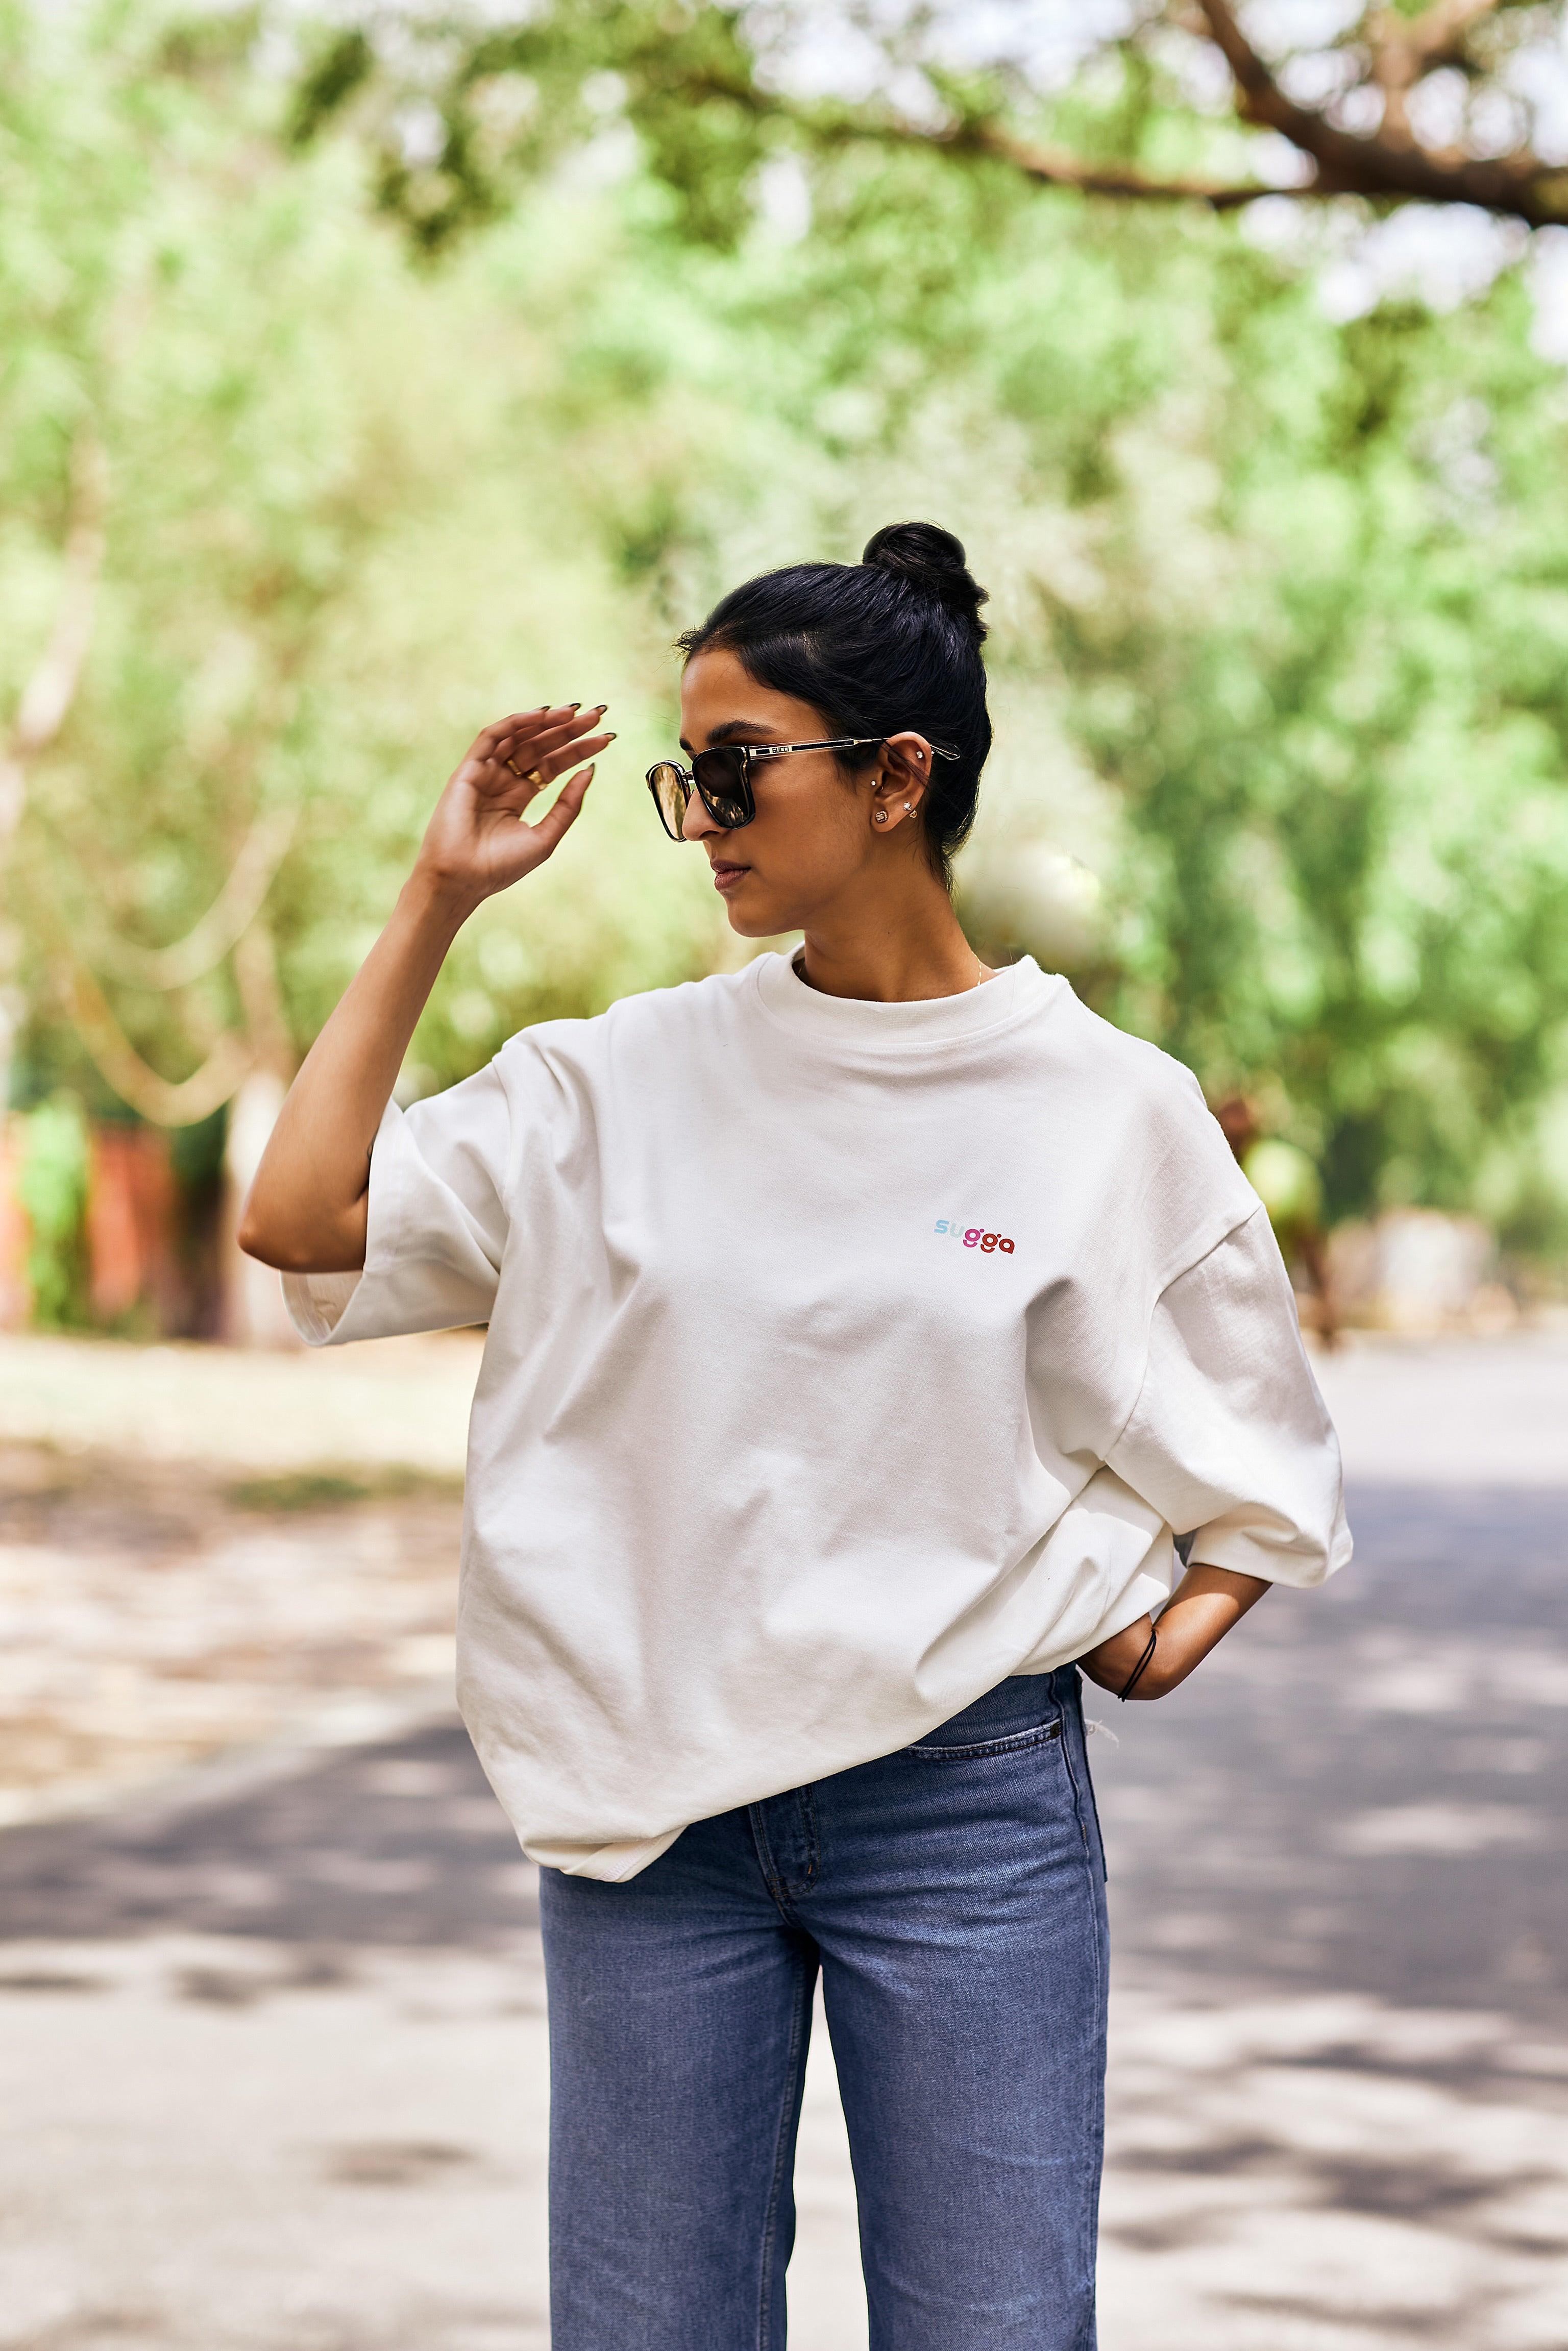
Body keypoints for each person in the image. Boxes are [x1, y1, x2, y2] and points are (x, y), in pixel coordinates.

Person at [240, 522, 1350, 2351]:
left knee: (993, 2332)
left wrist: (1168, 1635)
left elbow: (1266, 1454)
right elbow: (298, 1221)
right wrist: (439, 897)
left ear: (900, 777)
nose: (704, 817)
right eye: (689, 776)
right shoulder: (615, 1080)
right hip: (657, 1809)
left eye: (738, 768)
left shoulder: (1104, 1111)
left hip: (965, 1812)